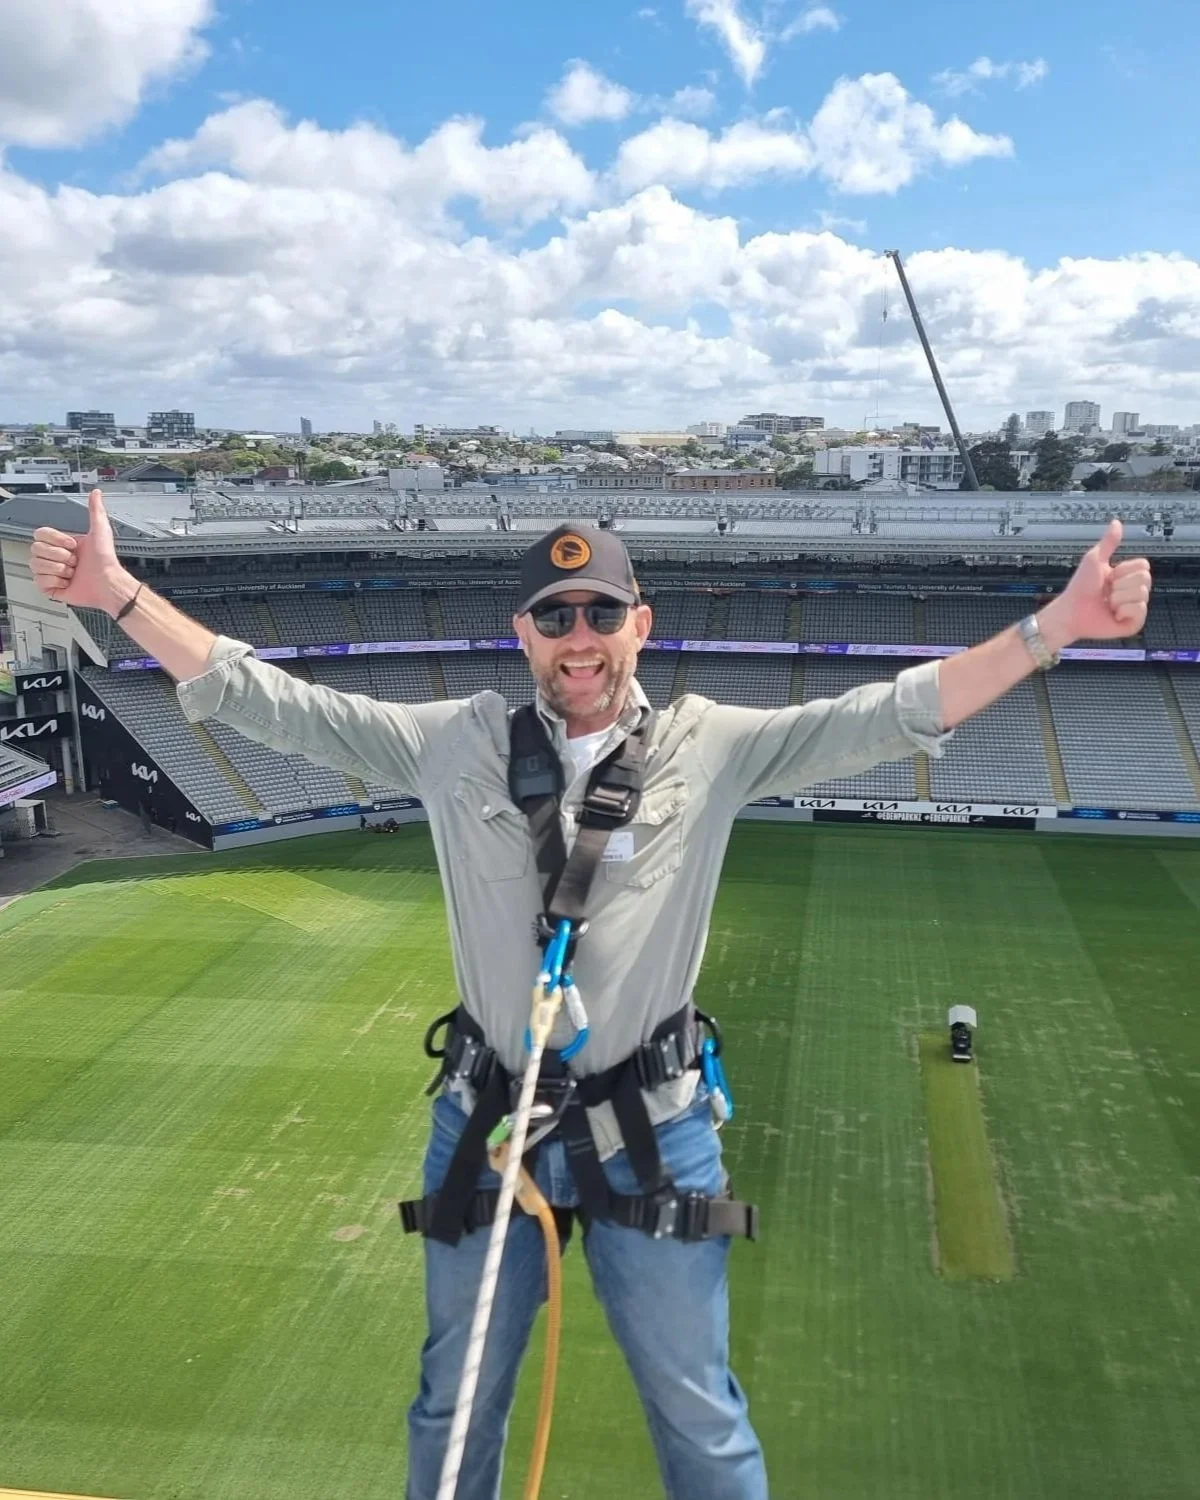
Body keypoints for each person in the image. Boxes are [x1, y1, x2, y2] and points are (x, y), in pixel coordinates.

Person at [31, 495, 1151, 1500]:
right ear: (522, 632)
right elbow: (270, 702)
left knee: (700, 1420)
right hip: (489, 1123)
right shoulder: (453, 742)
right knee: (452, 1410)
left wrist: (1052, 630)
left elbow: (887, 713)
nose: (580, 640)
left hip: (650, 1131)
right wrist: (116, 595)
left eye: (600, 615)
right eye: (555, 617)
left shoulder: (711, 748)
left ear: (640, 627)